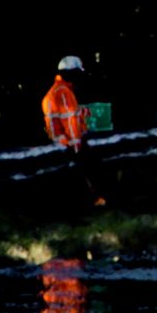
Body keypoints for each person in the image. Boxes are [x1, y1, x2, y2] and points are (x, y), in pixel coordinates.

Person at [43, 56, 104, 207]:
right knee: (85, 173)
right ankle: (94, 202)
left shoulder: (55, 92)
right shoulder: (64, 93)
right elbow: (70, 123)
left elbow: (68, 116)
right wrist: (77, 147)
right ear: (72, 73)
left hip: (60, 142)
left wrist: (84, 112)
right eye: (78, 73)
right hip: (68, 143)